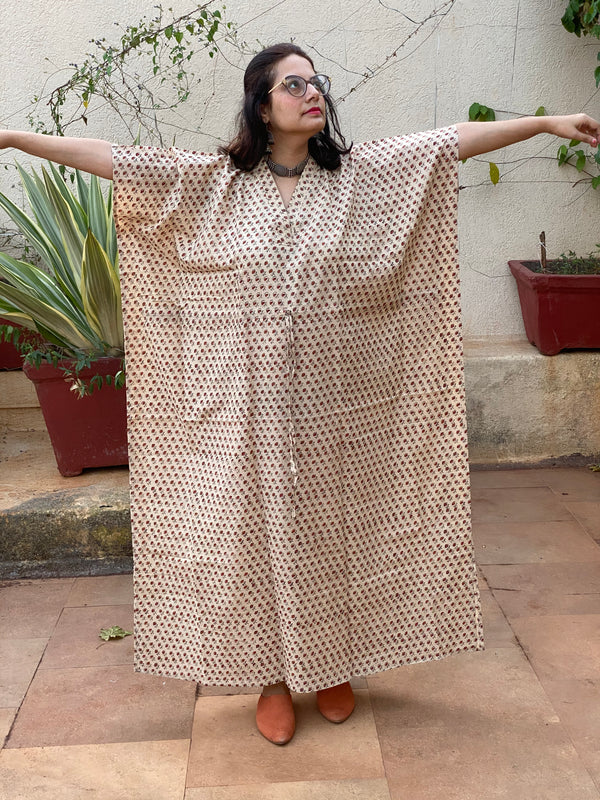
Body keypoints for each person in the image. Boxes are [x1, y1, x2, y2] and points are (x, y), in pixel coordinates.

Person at [2, 43, 599, 747]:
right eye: (295, 84)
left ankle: (333, 663)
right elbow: (115, 160)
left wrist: (545, 123)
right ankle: (273, 679)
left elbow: (450, 143)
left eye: (317, 82)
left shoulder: (360, 176)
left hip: (338, 412)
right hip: (243, 415)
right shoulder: (213, 183)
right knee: (255, 544)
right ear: (262, 105)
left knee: (339, 536)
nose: (312, 92)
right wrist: (12, 137)